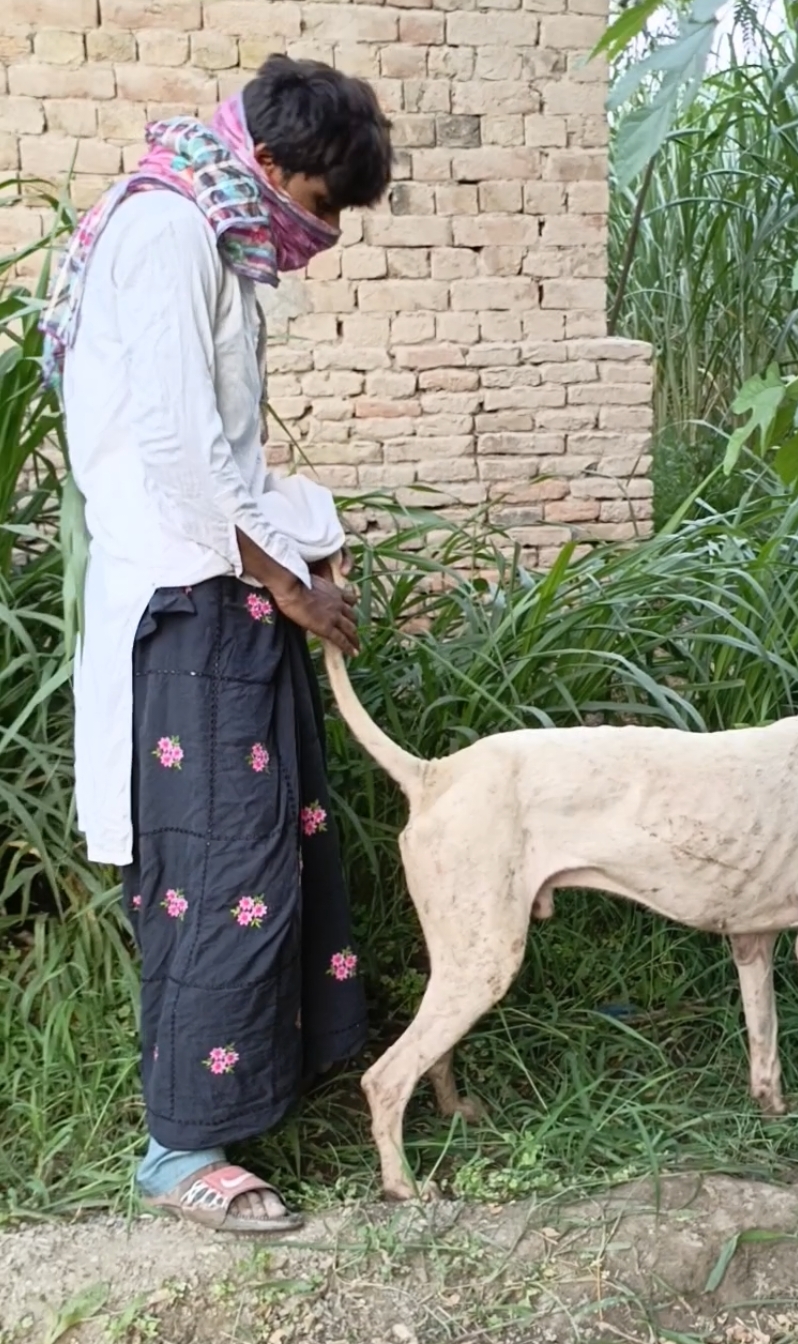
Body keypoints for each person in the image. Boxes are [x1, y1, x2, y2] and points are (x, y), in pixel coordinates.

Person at [41, 55, 394, 1232]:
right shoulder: (167, 234)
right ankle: (177, 1150)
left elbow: (234, 466)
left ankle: (250, 1103)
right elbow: (175, 461)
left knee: (273, 857)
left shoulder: (214, 244)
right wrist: (289, 590)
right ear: (278, 168)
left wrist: (313, 542)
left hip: (223, 603)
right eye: (326, 203)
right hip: (187, 617)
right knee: (217, 874)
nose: (327, 233)